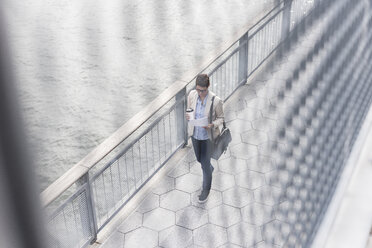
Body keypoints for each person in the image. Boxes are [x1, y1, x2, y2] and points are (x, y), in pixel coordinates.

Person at [186, 74, 224, 203]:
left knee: (205, 166)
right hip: (195, 135)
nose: (200, 93)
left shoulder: (216, 101)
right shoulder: (192, 95)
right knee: (200, 160)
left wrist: (212, 125)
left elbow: (221, 118)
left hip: (208, 138)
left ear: (208, 87)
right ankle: (208, 166)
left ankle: (205, 190)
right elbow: (190, 109)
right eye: (198, 89)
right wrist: (188, 115)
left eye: (203, 90)